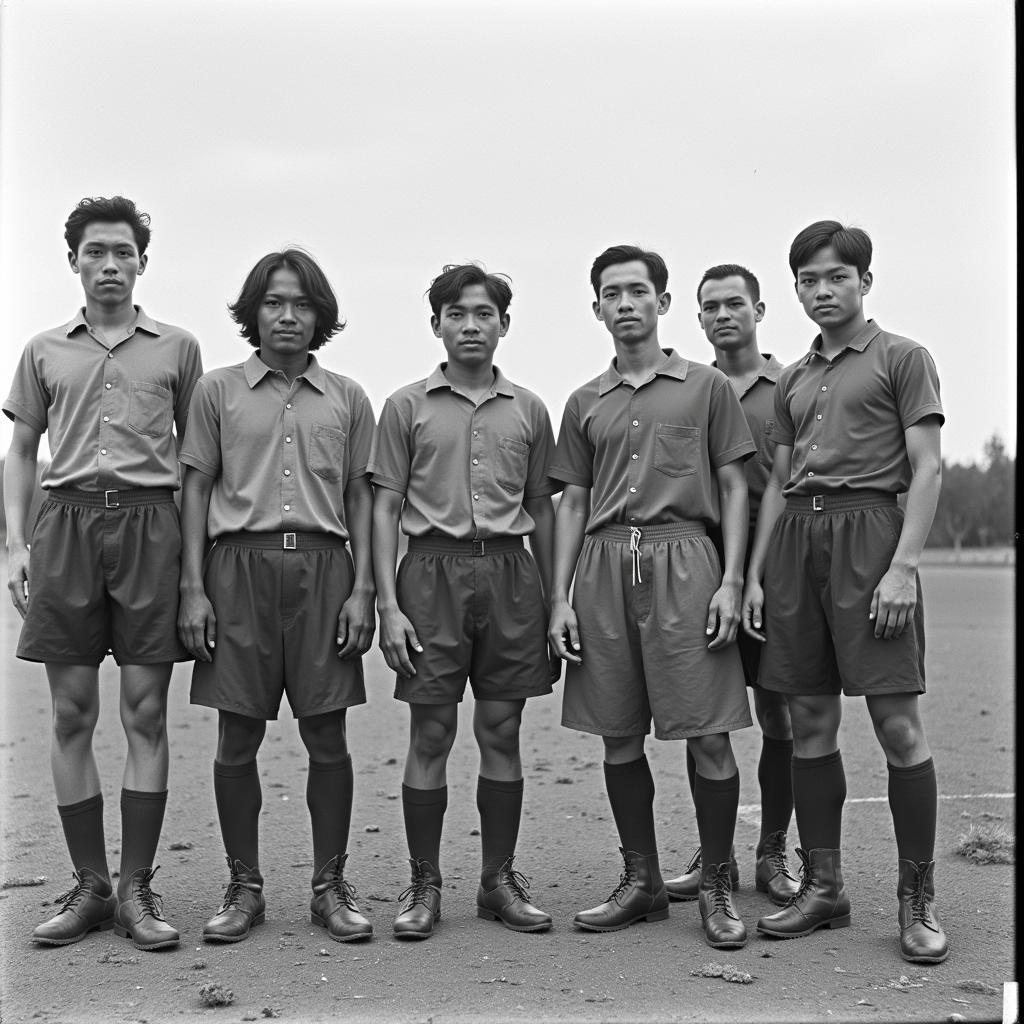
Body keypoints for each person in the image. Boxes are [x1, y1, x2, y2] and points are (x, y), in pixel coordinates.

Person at [743, 221, 948, 964]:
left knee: (897, 725)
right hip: (800, 540)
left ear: (864, 280)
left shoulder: (903, 358)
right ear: (794, 288)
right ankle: (824, 887)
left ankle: (916, 899)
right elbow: (778, 479)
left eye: (836, 276)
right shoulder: (792, 380)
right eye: (808, 279)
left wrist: (904, 566)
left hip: (872, 535)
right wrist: (761, 573)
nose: (822, 290)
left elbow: (925, 469)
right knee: (809, 721)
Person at [3, 196, 203, 950]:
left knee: (146, 713)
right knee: (71, 713)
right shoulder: (44, 350)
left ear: (142, 262)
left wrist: (192, 572)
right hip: (68, 526)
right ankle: (89, 883)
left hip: (152, 527)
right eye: (96, 252)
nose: (110, 265)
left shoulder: (178, 348)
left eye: (123, 252)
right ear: (75, 262)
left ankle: (136, 888)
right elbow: (23, 451)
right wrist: (15, 546)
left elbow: (194, 459)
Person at [548, 244, 756, 950]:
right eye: (612, 292)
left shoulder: (706, 388)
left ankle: (718, 883)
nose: (626, 302)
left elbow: (733, 486)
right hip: (604, 568)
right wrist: (560, 596)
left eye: (639, 291)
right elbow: (572, 501)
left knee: (709, 731)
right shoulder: (584, 402)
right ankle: (641, 881)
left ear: (664, 305)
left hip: (689, 563)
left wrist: (730, 580)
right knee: (616, 733)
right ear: (597, 307)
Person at [177, 249, 376, 944]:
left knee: (327, 733)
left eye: (301, 304)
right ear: (252, 312)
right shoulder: (217, 391)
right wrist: (192, 587)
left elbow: (359, 496)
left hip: (325, 569)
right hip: (236, 568)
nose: (287, 316)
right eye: (273, 303)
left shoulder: (348, 397)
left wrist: (366, 591)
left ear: (319, 314)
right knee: (238, 733)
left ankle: (329, 886)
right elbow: (196, 487)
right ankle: (245, 886)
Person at [370, 263, 557, 940]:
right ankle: (424, 883)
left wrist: (555, 598)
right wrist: (387, 603)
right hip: (430, 576)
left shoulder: (530, 409)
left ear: (504, 324)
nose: (470, 326)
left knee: (501, 730)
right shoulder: (405, 406)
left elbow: (543, 507)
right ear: (436, 325)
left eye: (484, 314)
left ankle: (497, 879)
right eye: (457, 314)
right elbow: (384, 506)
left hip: (511, 576)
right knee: (430, 731)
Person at [663, 265, 799, 907]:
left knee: (778, 710)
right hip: (698, 566)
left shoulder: (792, 387)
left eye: (735, 304)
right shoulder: (686, 389)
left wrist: (753, 575)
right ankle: (713, 854)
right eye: (710, 307)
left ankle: (773, 850)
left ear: (760, 310)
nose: (723, 315)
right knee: (703, 717)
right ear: (696, 319)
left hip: (776, 569)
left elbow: (785, 482)